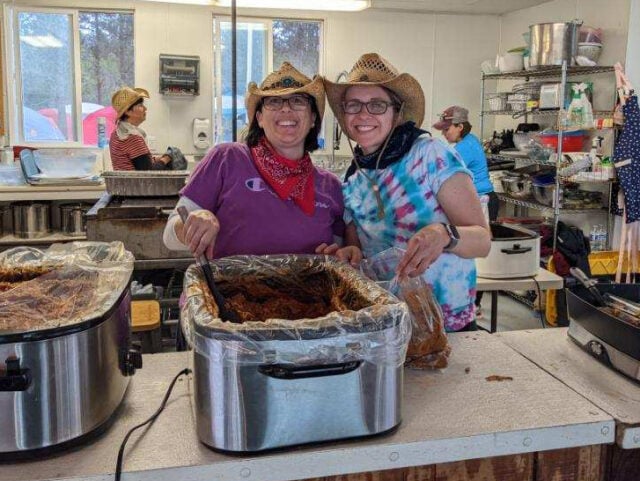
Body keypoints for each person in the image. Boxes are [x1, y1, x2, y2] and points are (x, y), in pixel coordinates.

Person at [323, 53, 490, 331]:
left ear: (397, 112)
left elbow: (482, 241)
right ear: (344, 115)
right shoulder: (352, 178)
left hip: (447, 325)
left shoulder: (430, 155)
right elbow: (360, 252)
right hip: (388, 324)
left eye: (377, 105)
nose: (364, 114)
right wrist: (349, 253)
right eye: (353, 105)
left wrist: (444, 234)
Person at [163, 62, 360, 264]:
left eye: (298, 101)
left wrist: (333, 256)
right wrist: (196, 221)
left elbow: (337, 252)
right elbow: (169, 235)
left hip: (301, 295)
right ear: (259, 118)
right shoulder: (226, 159)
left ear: (312, 119)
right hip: (224, 294)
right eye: (274, 102)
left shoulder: (330, 186)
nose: (285, 109)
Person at [432, 105, 499, 318]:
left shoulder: (462, 149)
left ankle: (473, 304)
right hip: (476, 199)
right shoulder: (466, 142)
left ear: (460, 126)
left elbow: (440, 166)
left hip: (481, 200)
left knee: (472, 250)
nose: (444, 133)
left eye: (447, 129)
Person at [109, 87, 172, 171]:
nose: (145, 109)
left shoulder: (116, 134)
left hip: (124, 183)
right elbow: (148, 172)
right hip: (134, 184)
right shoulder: (132, 138)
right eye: (140, 105)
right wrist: (167, 158)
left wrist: (159, 159)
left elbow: (139, 162)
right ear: (128, 111)